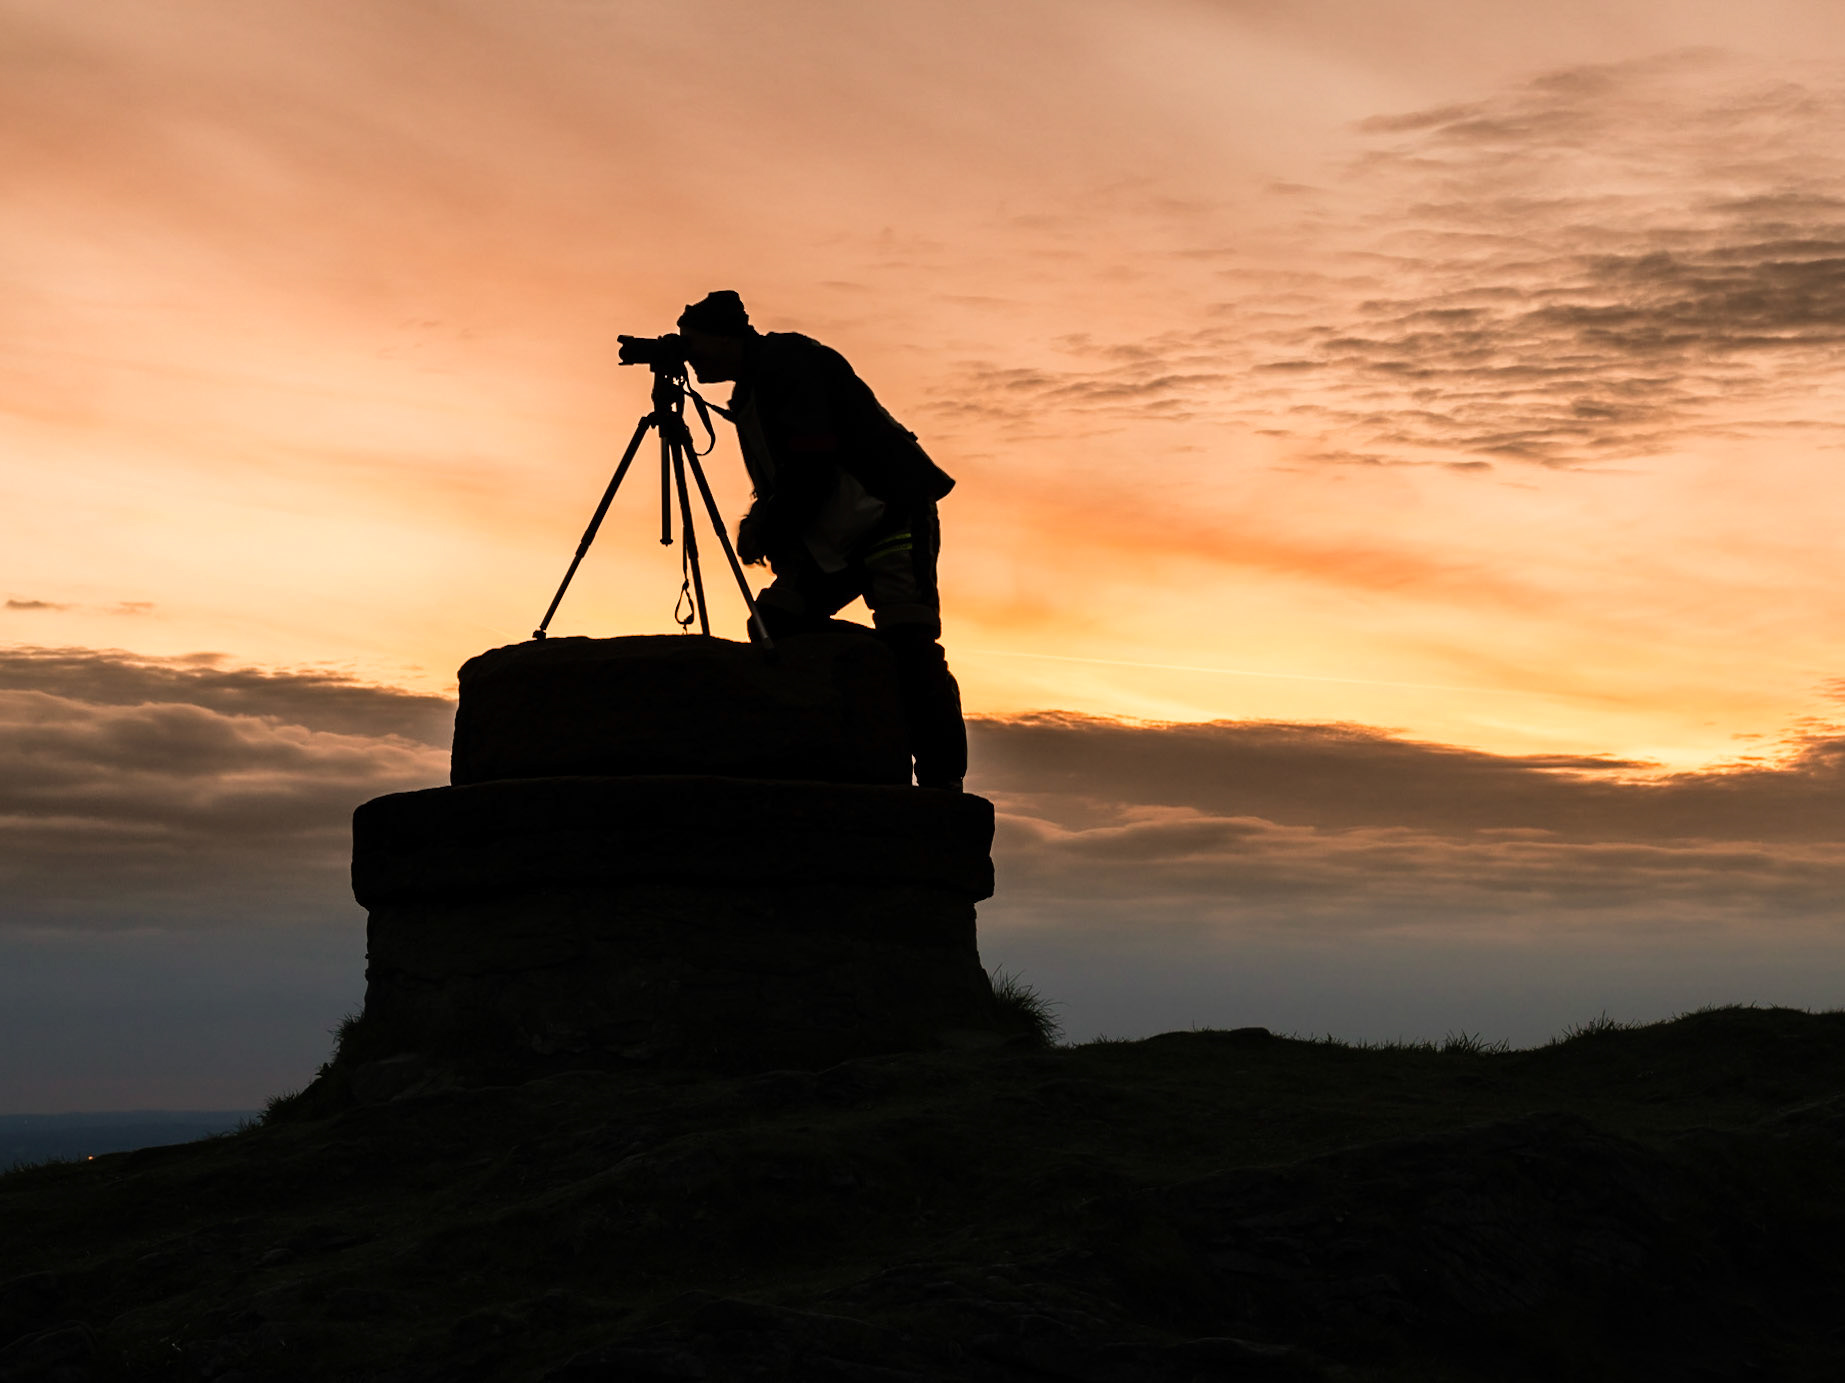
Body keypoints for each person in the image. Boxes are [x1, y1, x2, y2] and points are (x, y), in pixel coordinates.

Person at [676, 290, 967, 792]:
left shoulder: (788, 364)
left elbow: (811, 462)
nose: (688, 357)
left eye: (692, 343)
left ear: (725, 338)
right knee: (776, 624)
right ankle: (871, 679)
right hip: (834, 534)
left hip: (889, 514)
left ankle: (942, 785)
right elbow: (791, 473)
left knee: (913, 641)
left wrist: (764, 526)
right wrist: (771, 525)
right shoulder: (753, 385)